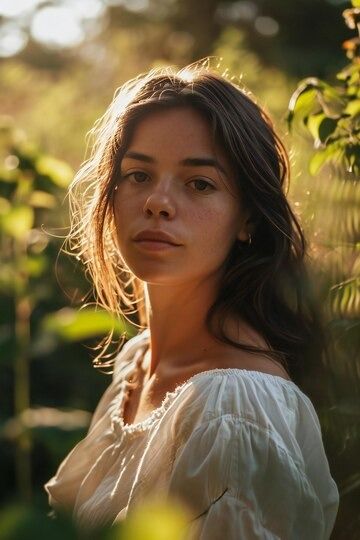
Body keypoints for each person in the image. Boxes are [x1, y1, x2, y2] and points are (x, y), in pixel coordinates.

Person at [44, 60, 339, 538]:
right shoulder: (136, 362)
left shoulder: (234, 408)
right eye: (138, 175)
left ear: (247, 219)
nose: (157, 202)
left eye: (199, 183)